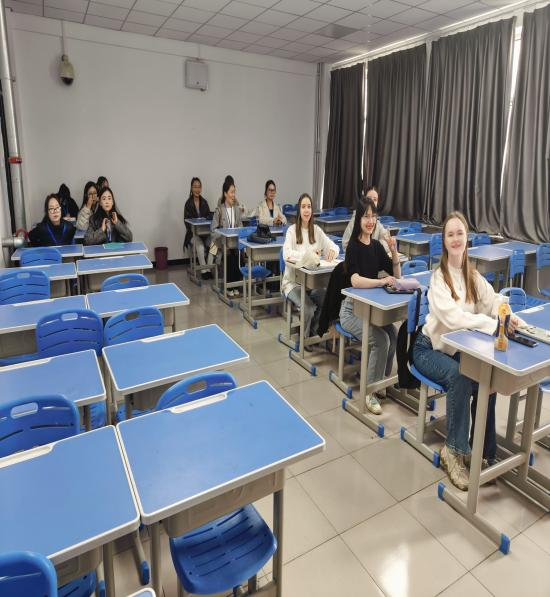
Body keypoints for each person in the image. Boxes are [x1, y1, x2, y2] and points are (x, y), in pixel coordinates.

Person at [412, 211, 523, 491]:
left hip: (455, 350)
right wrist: (492, 324)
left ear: (467, 238)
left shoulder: (472, 275)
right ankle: (453, 451)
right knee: (460, 377)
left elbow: (492, 299)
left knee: (487, 377)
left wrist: (506, 313)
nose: (455, 238)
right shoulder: (438, 278)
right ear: (444, 240)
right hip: (429, 348)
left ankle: (483, 452)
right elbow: (453, 319)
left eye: (459, 233)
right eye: (450, 234)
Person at [339, 198, 401, 415]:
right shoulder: (353, 247)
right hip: (351, 311)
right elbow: (355, 280)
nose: (370, 221)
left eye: (373, 216)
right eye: (366, 216)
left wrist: (394, 251)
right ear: (359, 219)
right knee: (381, 340)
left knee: (393, 335)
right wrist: (380, 282)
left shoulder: (376, 246)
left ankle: (379, 381)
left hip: (370, 309)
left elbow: (396, 274)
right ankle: (369, 392)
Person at [282, 193, 338, 341]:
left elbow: (333, 246)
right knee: (308, 309)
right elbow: (286, 254)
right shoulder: (292, 230)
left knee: (327, 300)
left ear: (312, 210)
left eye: (309, 207)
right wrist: (308, 255)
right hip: (293, 283)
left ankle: (313, 331)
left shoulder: (317, 230)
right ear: (299, 210)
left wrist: (333, 251)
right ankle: (304, 339)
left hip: (312, 284)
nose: (306, 210)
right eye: (303, 207)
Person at [211, 179, 243, 297]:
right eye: (231, 192)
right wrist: (223, 234)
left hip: (235, 244)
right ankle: (230, 287)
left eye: (234, 192)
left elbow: (241, 226)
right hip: (223, 244)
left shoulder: (237, 209)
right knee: (229, 257)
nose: (233, 195)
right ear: (225, 193)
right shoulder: (219, 210)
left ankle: (236, 286)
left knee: (238, 256)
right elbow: (213, 230)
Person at [342, 186, 389, 253]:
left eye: (375, 199)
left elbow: (387, 240)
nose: (372, 201)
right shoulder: (355, 221)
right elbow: (346, 245)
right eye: (369, 198)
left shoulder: (376, 222)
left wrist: (375, 248)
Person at [183, 177, 213, 279]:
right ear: (191, 188)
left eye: (199, 187)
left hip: (205, 233)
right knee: (200, 247)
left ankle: (209, 268)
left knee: (214, 245)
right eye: (195, 187)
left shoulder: (204, 202)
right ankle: (204, 271)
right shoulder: (188, 204)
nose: (197, 189)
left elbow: (209, 217)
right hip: (193, 234)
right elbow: (186, 223)